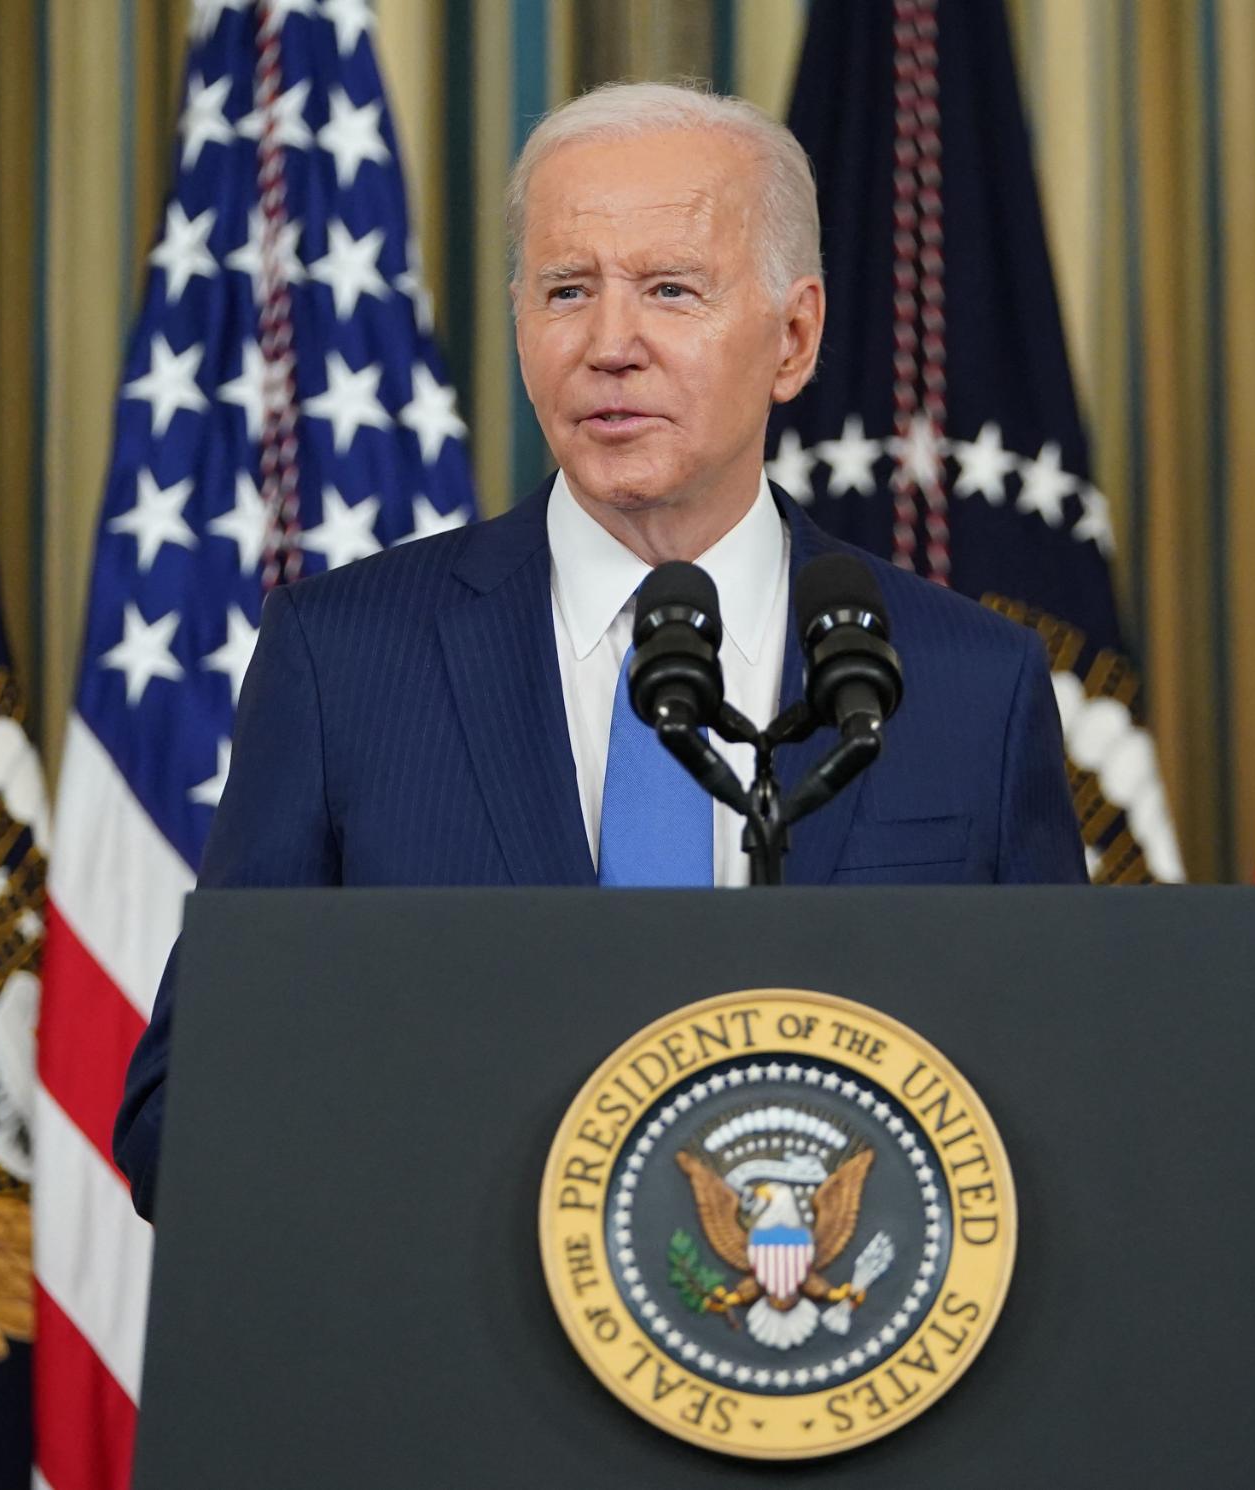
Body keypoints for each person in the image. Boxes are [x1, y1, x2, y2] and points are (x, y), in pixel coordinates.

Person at [112, 82, 1086, 1220]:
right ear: (521, 323)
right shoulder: (343, 659)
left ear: (795, 336)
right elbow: (184, 1115)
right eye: (567, 291)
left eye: (672, 290)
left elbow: (1054, 1110)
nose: (610, 344)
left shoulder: (967, 682)